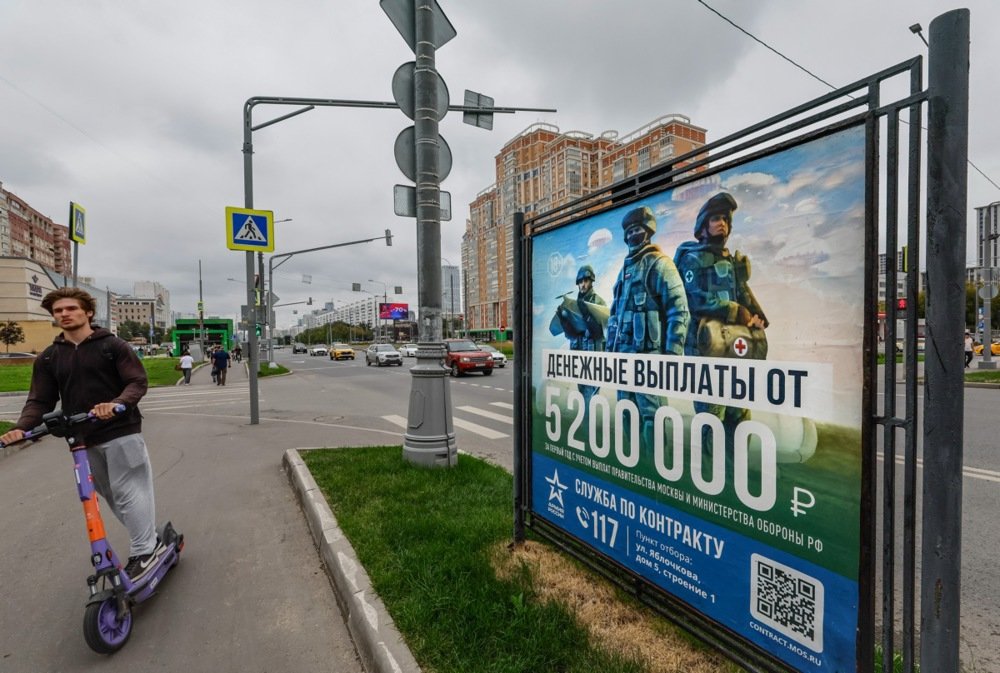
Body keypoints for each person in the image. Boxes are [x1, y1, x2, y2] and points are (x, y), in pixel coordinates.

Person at [0, 287, 164, 580]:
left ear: (88, 312)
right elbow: (39, 401)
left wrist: (117, 404)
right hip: (82, 437)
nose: (64, 314)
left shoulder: (111, 346)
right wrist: (20, 429)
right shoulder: (49, 358)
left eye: (70, 309)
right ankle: (149, 538)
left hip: (120, 430)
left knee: (129, 492)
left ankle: (144, 551)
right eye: (58, 311)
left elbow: (137, 382)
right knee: (110, 495)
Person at [674, 192, 768, 457]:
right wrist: (732, 310)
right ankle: (712, 472)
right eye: (715, 218)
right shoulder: (692, 259)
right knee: (711, 414)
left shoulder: (729, 260)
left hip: (734, 346)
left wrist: (757, 317)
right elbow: (694, 298)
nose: (721, 224)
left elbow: (742, 291)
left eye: (725, 219)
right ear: (703, 224)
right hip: (704, 346)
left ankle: (733, 469)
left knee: (739, 411)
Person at [606, 206, 690, 446]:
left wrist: (671, 357)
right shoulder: (625, 271)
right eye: (630, 231)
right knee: (626, 410)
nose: (633, 235)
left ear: (648, 231)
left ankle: (654, 466)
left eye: (638, 229)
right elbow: (615, 315)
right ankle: (635, 462)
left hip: (649, 358)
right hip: (623, 357)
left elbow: (679, 310)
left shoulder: (659, 264)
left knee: (651, 414)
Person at [550, 264, 608, 413]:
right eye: (580, 282)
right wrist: (564, 319)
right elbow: (572, 335)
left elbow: (599, 332)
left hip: (594, 359)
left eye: (586, 281)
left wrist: (587, 313)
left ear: (591, 281)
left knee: (592, 398)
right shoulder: (573, 304)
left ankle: (591, 428)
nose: (582, 285)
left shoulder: (598, 302)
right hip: (580, 359)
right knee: (583, 396)